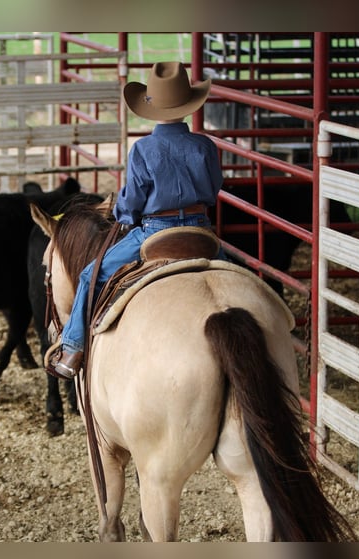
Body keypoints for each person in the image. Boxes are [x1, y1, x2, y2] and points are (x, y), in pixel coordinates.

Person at [49, 61, 224, 379]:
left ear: (151, 107)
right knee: (235, 273)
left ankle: (73, 348)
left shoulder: (143, 149)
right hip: (200, 229)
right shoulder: (204, 146)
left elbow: (133, 201)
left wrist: (124, 214)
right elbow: (213, 190)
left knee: (90, 276)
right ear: (188, 106)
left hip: (155, 232)